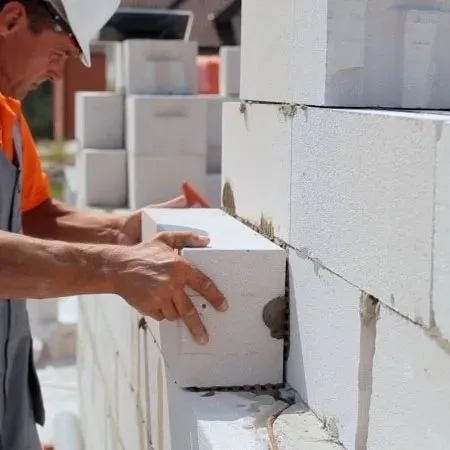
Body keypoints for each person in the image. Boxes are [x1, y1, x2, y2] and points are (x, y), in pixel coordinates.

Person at [0, 0, 228, 448]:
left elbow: (34, 214)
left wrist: (121, 231)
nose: (59, 73)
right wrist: (114, 267)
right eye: (60, 53)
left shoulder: (7, 114)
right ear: (11, 20)